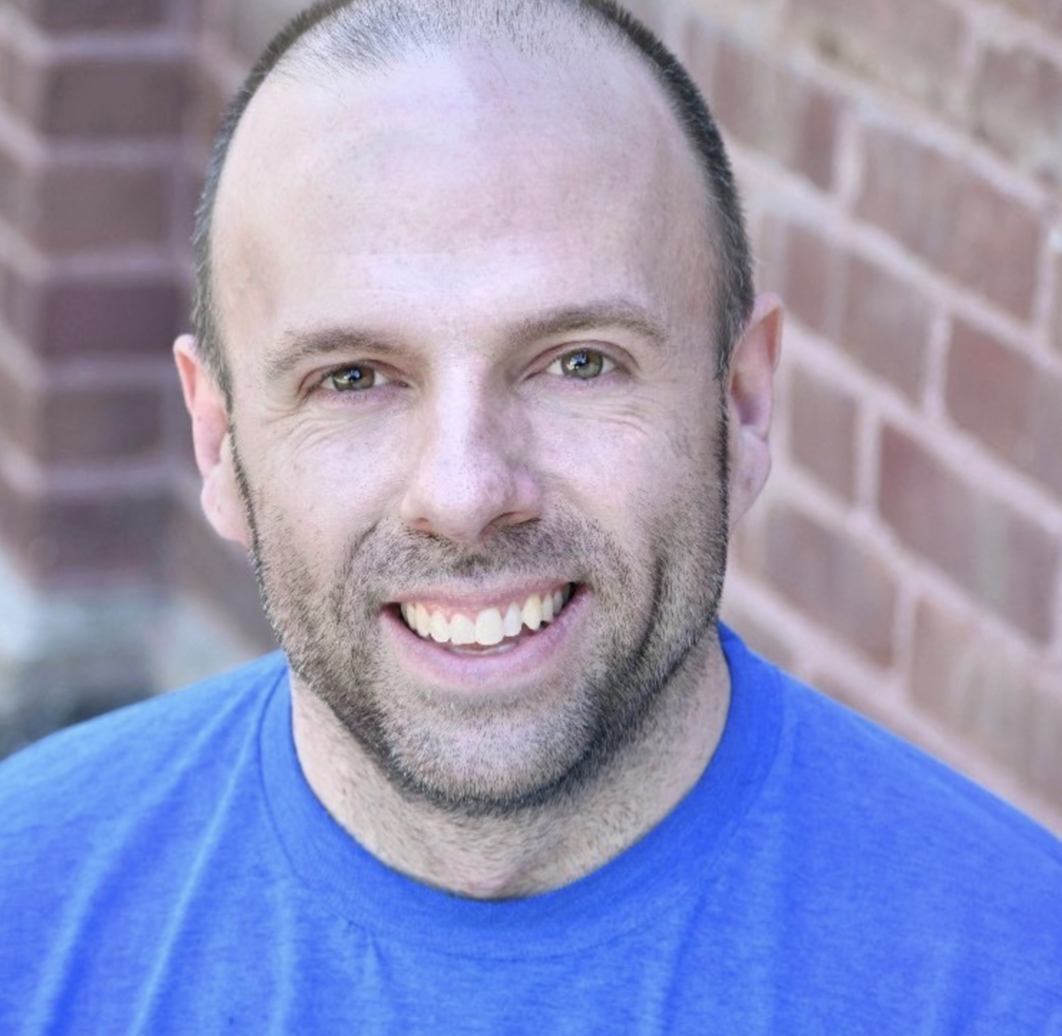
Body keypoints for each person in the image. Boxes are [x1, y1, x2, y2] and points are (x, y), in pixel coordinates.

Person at [1, 0, 1059, 1031]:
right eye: (355, 377)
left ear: (741, 403)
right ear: (220, 442)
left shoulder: (1019, 972)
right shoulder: (27, 916)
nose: (465, 494)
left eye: (579, 363)